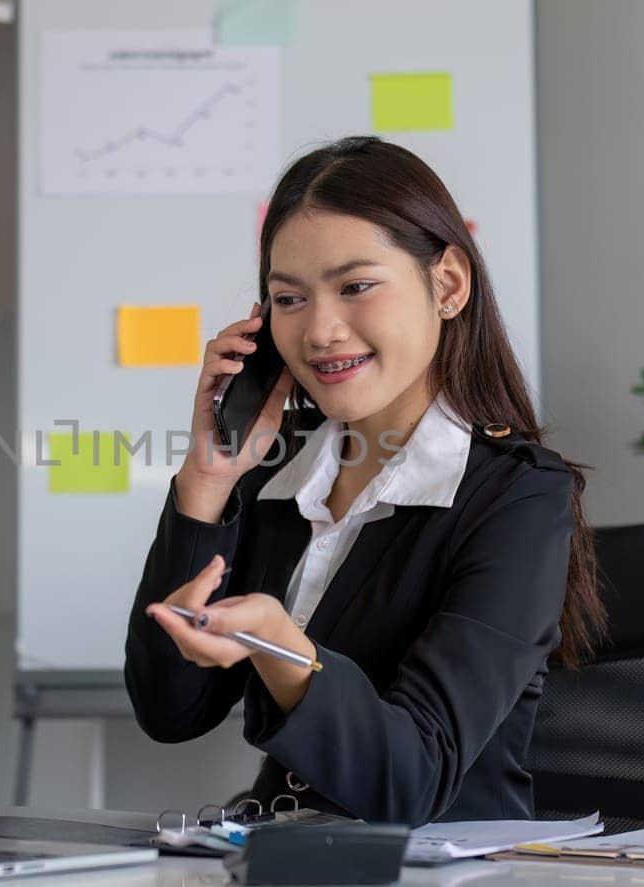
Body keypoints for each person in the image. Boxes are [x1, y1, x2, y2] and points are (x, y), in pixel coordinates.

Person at [124, 136, 606, 827]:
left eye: (356, 286)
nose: (320, 329)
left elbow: (410, 778)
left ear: (447, 286)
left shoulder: (517, 497)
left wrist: (283, 648)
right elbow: (169, 710)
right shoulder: (278, 477)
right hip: (281, 857)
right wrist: (206, 484)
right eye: (288, 298)